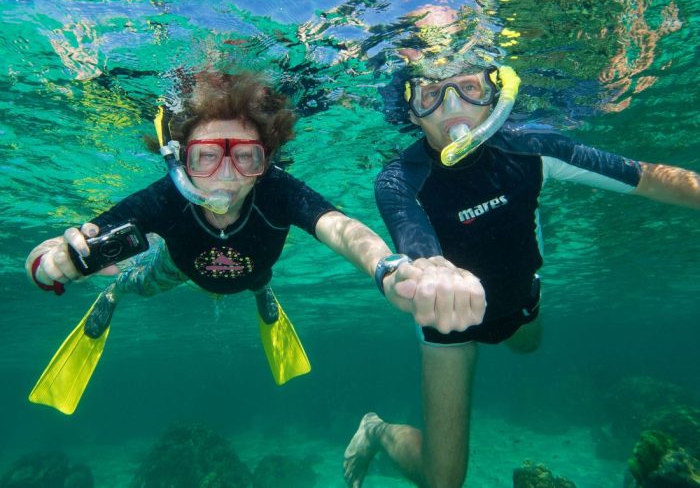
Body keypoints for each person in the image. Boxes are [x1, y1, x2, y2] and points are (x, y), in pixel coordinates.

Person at [26, 70, 484, 413]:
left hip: (254, 272)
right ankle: (113, 294)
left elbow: (341, 229)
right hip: (177, 268)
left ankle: (262, 290)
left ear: (266, 161)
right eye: (207, 157)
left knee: (258, 277)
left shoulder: (278, 189)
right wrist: (50, 262)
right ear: (182, 163)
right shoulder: (167, 197)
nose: (227, 176)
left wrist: (388, 269)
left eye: (245, 157)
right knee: (134, 281)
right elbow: (60, 247)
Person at [343, 47, 700, 488]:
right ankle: (376, 428)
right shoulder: (400, 179)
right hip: (446, 318)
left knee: (527, 344)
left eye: (469, 88)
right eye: (432, 94)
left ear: (496, 95)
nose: (453, 107)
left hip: (519, 296)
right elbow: (414, 242)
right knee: (443, 481)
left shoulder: (533, 149)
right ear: (413, 113)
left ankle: (526, 296)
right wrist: (431, 271)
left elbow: (643, 177)